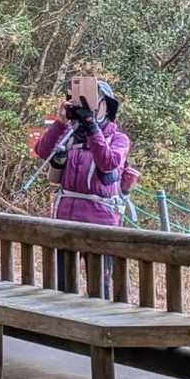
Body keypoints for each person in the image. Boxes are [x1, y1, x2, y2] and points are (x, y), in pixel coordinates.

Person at [30, 79, 132, 294]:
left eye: (94, 102)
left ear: (106, 107)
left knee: (99, 288)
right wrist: (60, 122)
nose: (88, 109)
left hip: (100, 222)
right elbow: (42, 151)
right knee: (64, 287)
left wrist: (92, 127)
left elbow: (109, 162)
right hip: (66, 219)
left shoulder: (118, 139)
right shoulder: (69, 134)